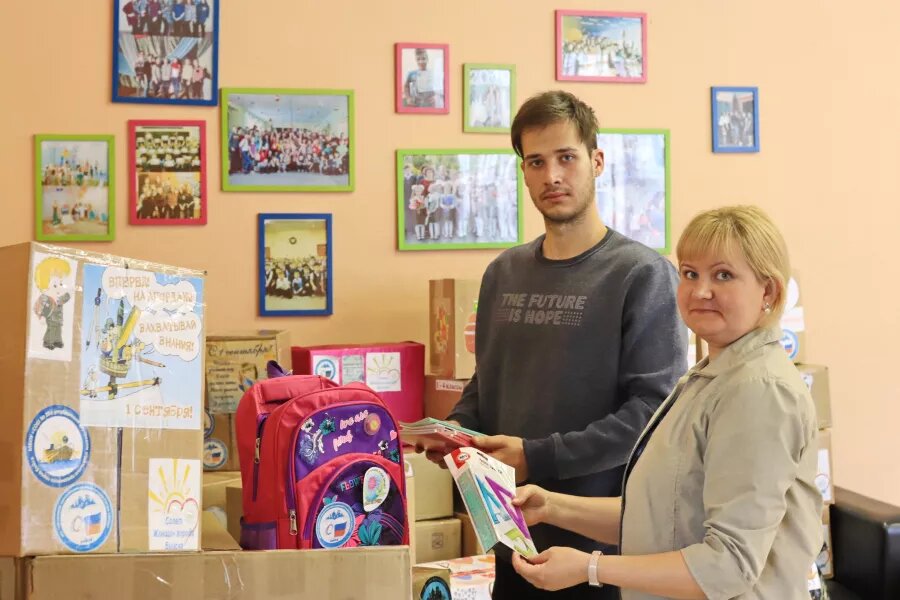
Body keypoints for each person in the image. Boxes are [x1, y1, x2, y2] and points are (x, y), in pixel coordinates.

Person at [430, 90, 687, 599]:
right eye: (536, 162)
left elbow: (651, 413)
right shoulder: (502, 273)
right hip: (510, 542)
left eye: (566, 157)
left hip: (601, 557)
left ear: (596, 161)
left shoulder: (642, 275)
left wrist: (536, 456)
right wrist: (457, 429)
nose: (552, 175)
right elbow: (491, 377)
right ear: (523, 173)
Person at [510, 205, 823, 599]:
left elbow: (728, 565)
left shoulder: (758, 390)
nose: (700, 290)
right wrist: (553, 506)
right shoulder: (712, 374)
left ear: (769, 291)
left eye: (723, 275)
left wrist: (591, 567)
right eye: (690, 273)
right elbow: (661, 518)